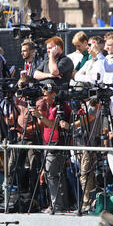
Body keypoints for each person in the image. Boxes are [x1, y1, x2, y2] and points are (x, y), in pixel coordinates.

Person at [31, 82, 71, 212]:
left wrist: (40, 116)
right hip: (47, 143)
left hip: (57, 144)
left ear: (54, 94)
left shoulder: (61, 106)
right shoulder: (49, 106)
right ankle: (59, 204)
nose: (44, 98)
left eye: (46, 95)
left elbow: (56, 125)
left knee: (52, 175)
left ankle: (57, 205)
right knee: (53, 175)